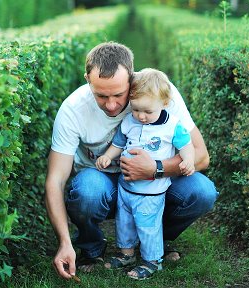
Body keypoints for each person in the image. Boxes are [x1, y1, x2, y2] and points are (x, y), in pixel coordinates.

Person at [45, 41, 218, 279]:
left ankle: (155, 240)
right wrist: (63, 242)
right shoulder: (72, 110)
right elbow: (55, 180)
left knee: (202, 192)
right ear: (87, 79)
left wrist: (155, 169)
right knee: (88, 191)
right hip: (101, 181)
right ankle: (90, 246)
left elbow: (201, 156)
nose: (112, 105)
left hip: (154, 183)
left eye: (118, 94)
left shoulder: (159, 93)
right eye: (101, 96)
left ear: (132, 80)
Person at [95, 68, 195, 280]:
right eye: (136, 109)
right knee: (125, 223)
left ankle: (152, 260)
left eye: (147, 112)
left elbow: (187, 146)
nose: (141, 116)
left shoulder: (172, 126)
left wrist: (187, 160)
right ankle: (126, 254)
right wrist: (107, 156)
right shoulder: (130, 121)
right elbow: (118, 142)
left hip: (151, 191)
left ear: (164, 103)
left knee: (148, 225)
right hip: (126, 187)